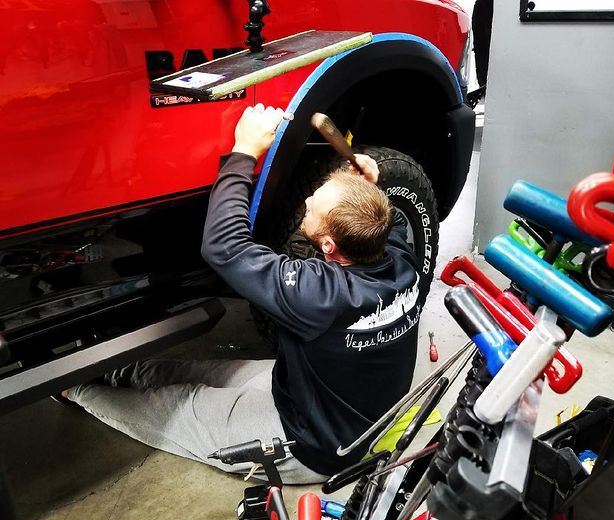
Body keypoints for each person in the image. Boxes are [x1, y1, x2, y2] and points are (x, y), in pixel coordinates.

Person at [63, 104, 427, 484]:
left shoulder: (320, 294)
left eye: (311, 210)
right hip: (334, 403)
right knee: (192, 372)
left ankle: (79, 391)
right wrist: (367, 187)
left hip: (312, 446)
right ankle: (119, 372)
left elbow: (224, 246)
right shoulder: (399, 258)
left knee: (175, 407)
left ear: (328, 246)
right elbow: (387, 219)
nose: (305, 202)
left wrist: (244, 152)